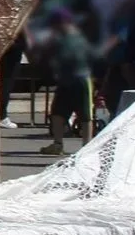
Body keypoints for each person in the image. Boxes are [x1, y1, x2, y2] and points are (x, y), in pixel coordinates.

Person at [41, 9, 95, 155]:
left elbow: (73, 57)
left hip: (81, 79)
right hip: (66, 80)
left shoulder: (75, 38)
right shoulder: (61, 38)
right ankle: (58, 144)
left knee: (85, 113)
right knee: (57, 112)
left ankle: (87, 146)